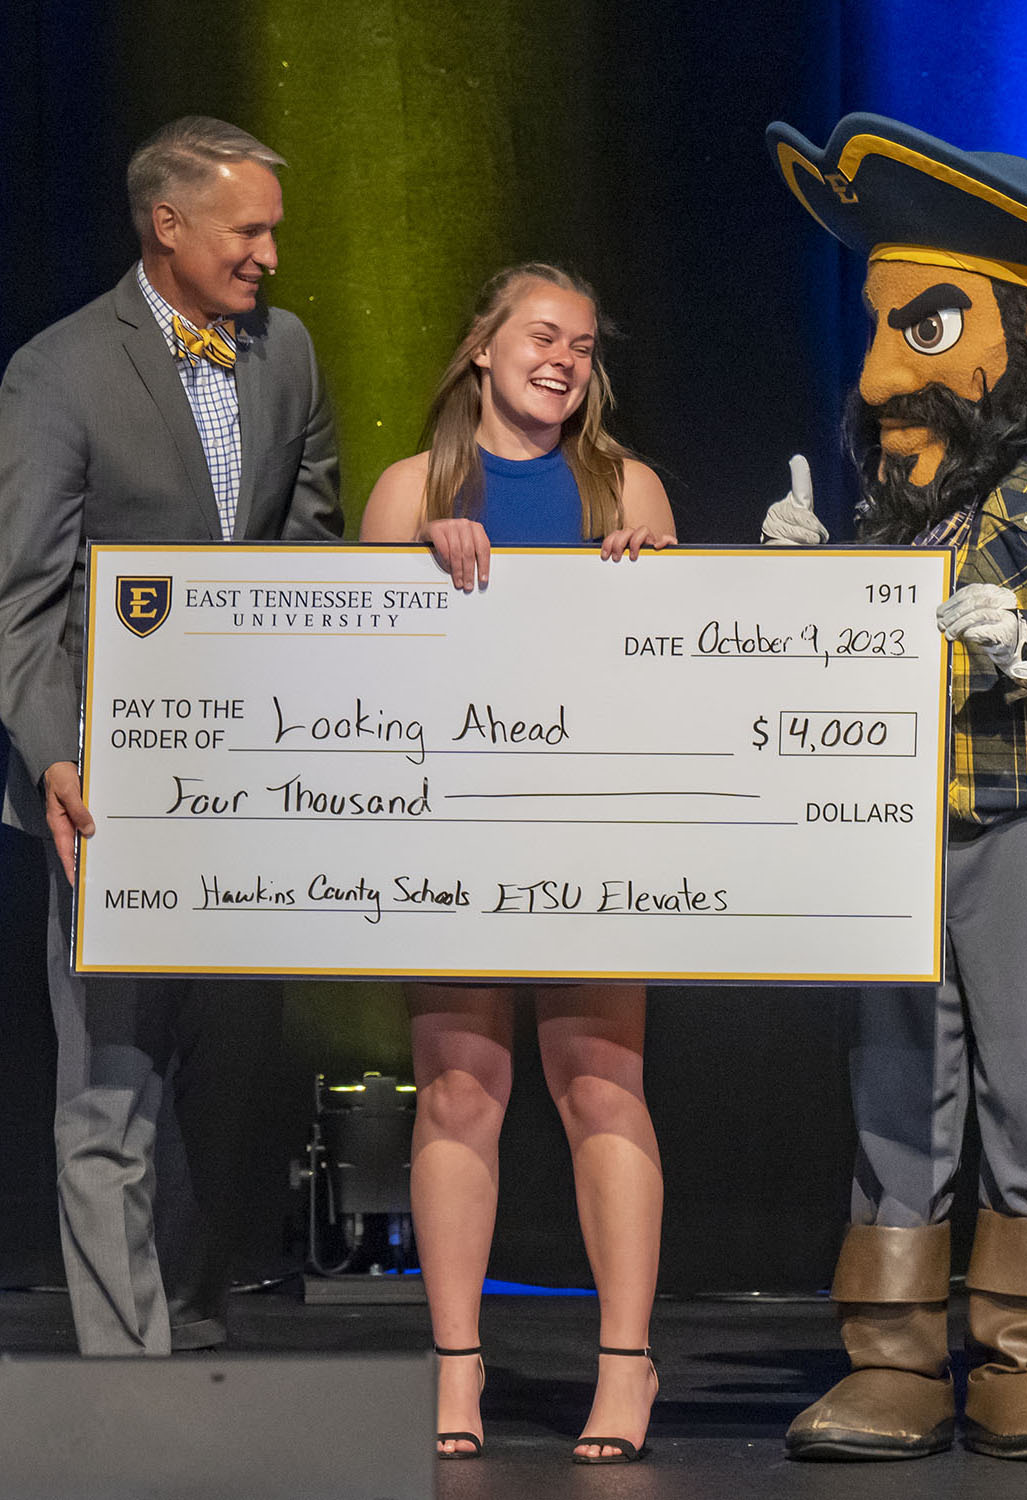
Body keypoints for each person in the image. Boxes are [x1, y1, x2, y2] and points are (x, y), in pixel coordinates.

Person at [761, 113, 1027, 1462]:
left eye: (927, 330)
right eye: (883, 330)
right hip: (890, 830)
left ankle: (1020, 1352)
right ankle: (891, 1357)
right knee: (895, 1080)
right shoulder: (899, 490)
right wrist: (807, 577)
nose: (888, 373)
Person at [0, 117, 341, 1355]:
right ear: (170, 225)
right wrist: (53, 753)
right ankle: (121, 1370)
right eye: (248, 229)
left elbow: (310, 536)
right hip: (109, 783)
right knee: (111, 1081)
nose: (266, 254)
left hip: (248, 773)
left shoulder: (287, 352)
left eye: (271, 232)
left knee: (232, 1076)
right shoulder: (62, 370)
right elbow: (22, 593)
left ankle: (187, 1320)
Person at [360, 263, 674, 1463]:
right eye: (543, 336)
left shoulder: (624, 483)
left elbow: (675, 676)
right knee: (458, 1094)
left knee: (601, 1088)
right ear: (482, 347)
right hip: (450, 830)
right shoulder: (410, 488)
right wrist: (410, 570)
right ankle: (455, 1363)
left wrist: (659, 582)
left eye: (585, 346)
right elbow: (358, 685)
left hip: (593, 826)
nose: (565, 360)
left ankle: (628, 1362)